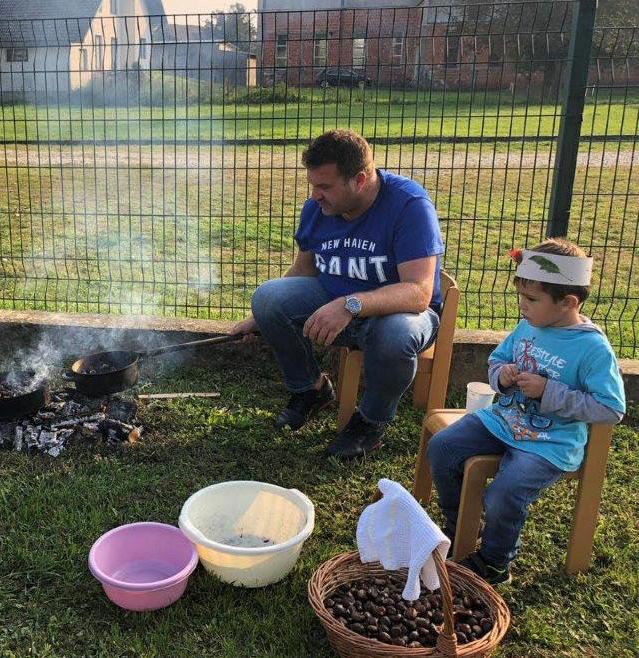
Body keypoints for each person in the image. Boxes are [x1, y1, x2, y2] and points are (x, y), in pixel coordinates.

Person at [230, 129, 444, 459]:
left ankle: (370, 422)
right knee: (268, 297)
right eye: (313, 185)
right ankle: (311, 390)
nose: (315, 195)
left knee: (395, 334)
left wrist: (351, 304)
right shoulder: (318, 208)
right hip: (335, 303)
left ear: (359, 180)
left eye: (325, 186)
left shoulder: (409, 205)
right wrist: (258, 317)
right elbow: (303, 270)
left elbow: (418, 293)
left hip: (400, 314)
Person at [427, 239, 625, 584]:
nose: (522, 305)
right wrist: (501, 376)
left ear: (568, 303)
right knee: (442, 446)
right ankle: (459, 525)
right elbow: (499, 359)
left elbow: (611, 408)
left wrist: (550, 391)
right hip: (502, 421)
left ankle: (494, 562)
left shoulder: (593, 348)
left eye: (531, 299)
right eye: (521, 295)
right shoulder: (528, 325)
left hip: (550, 442)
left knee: (505, 492)